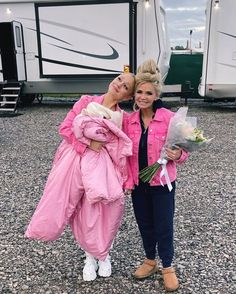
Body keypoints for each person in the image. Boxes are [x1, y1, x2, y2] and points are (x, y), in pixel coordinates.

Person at [25, 72, 135, 282]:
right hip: (75, 162)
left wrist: (126, 176)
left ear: (128, 96)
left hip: (104, 170)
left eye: (125, 86)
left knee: (103, 210)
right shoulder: (86, 101)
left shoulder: (123, 118)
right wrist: (87, 145)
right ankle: (89, 259)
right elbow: (65, 128)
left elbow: (124, 147)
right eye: (120, 79)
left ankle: (104, 254)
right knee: (80, 210)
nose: (119, 84)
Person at [123, 59, 189, 292]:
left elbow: (184, 152)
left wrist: (178, 153)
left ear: (156, 94)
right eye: (139, 91)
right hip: (139, 184)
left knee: (163, 225)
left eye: (148, 93)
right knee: (145, 223)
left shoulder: (170, 119)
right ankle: (150, 260)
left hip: (162, 182)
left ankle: (168, 267)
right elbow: (124, 154)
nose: (142, 96)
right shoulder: (128, 121)